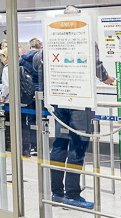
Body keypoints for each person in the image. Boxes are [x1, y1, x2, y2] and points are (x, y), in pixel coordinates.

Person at [48, 44, 115, 209]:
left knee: (59, 145)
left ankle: (57, 194)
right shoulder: (85, 36)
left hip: (60, 97)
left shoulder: (55, 39)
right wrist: (106, 77)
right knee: (77, 147)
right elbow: (95, 64)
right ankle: (72, 195)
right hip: (80, 99)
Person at [19, 38, 42, 156]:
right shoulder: (42, 57)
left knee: (31, 118)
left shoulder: (22, 59)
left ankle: (33, 145)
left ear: (30, 46)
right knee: (42, 118)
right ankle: (41, 145)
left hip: (28, 91)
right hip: (42, 91)